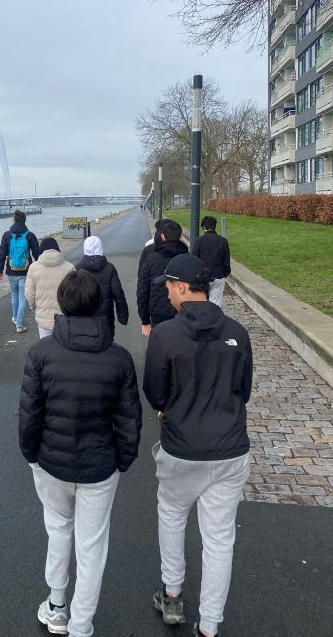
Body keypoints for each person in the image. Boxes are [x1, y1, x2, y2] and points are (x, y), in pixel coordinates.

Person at [19, 269, 142, 637]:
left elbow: (30, 413)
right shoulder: (119, 358)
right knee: (92, 547)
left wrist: (31, 455)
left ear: (62, 303)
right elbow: (129, 417)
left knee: (58, 531)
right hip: (100, 465)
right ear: (97, 304)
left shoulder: (40, 353)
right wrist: (124, 459)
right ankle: (82, 623)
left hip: (51, 462)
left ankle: (56, 606)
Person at [143, 254, 252, 637]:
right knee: (220, 538)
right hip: (230, 448)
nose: (168, 296)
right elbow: (244, 391)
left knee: (172, 516)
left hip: (182, 448)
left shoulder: (166, 334)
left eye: (170, 288)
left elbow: (155, 394)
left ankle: (172, 593)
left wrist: (168, 408)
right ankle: (209, 626)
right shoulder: (237, 331)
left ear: (184, 288)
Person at [136, 220, 188, 335]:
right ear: (180, 237)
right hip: (183, 311)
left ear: (162, 236)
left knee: (160, 347)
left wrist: (145, 319)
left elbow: (142, 289)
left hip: (158, 312)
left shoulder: (151, 258)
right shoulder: (188, 259)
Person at [76, 235, 129, 337]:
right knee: (107, 343)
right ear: (100, 248)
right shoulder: (109, 268)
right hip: (105, 317)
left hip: (83, 317)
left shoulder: (77, 268)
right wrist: (123, 316)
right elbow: (118, 294)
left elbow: (72, 295)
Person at [0, 210, 40, 334]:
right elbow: (37, 253)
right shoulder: (30, 235)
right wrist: (39, 266)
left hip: (11, 270)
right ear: (24, 221)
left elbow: (2, 254)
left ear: (14, 220)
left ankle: (16, 319)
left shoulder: (7, 235)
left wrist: (0, 270)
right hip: (26, 271)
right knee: (22, 297)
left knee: (14, 295)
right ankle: (19, 324)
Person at [25, 237, 74, 338]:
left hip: (43, 318)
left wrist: (35, 309)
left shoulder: (33, 268)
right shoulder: (69, 268)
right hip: (64, 318)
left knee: (45, 349)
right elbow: (74, 295)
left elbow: (30, 294)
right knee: (63, 350)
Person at [191, 215, 231, 307]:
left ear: (203, 227)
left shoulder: (198, 241)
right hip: (218, 276)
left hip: (202, 277)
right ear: (214, 226)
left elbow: (194, 260)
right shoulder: (223, 241)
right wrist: (225, 274)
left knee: (202, 302)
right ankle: (214, 320)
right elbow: (226, 261)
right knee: (216, 304)